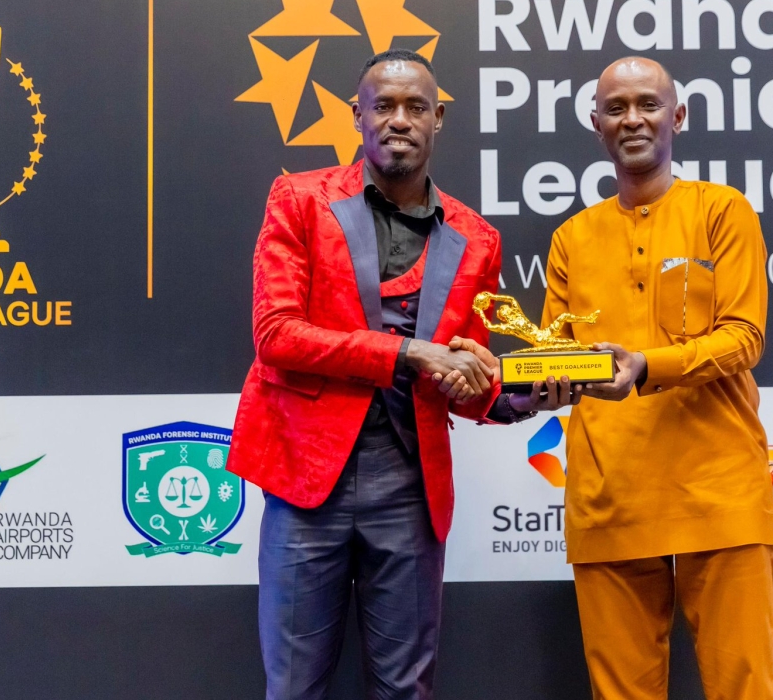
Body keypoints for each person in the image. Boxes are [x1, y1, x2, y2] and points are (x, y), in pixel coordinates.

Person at [227, 49, 579, 700]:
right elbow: (276, 336)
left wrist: (531, 394)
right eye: (383, 105)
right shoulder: (299, 200)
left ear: (438, 117)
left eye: (416, 106)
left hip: (409, 491)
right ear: (355, 115)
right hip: (307, 484)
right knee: (295, 687)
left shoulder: (476, 238)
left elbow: (468, 383)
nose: (398, 119)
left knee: (406, 690)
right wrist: (410, 354)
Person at [542, 56, 773, 699]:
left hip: (719, 489)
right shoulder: (571, 238)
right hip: (609, 493)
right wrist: (520, 384)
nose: (632, 119)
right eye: (615, 108)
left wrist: (649, 366)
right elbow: (557, 358)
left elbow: (744, 337)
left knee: (747, 689)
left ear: (678, 115)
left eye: (648, 104)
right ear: (596, 124)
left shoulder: (723, 211)